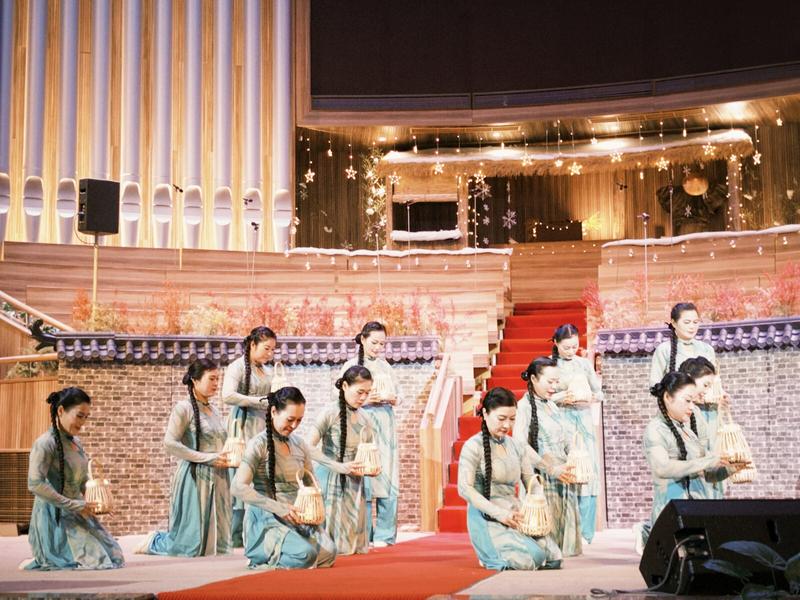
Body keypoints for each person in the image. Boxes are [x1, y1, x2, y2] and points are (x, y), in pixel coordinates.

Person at [458, 387, 564, 571]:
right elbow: (464, 489)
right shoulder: (472, 446)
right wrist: (501, 514)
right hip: (487, 517)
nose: (507, 425)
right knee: (533, 559)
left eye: (512, 419)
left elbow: (531, 480)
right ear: (485, 413)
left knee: (554, 558)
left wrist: (538, 504)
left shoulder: (516, 446)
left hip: (515, 513)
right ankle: (489, 553)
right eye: (501, 418)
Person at [231, 387, 337, 569]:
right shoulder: (258, 444)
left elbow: (310, 481)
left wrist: (313, 506)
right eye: (290, 419)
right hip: (268, 516)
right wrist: (278, 508)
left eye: (299, 420)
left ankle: (288, 551)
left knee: (329, 553)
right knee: (305, 555)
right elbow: (238, 487)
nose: (294, 425)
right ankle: (260, 555)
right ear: (274, 412)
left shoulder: (300, 444)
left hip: (297, 516)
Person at [636, 371, 742, 553]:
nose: (692, 406)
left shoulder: (688, 430)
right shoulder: (655, 430)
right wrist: (708, 460)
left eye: (693, 401)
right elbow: (663, 468)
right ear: (668, 397)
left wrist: (732, 468)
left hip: (696, 510)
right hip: (671, 513)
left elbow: (709, 475)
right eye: (687, 400)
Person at [22, 387, 124, 570]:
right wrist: (72, 504)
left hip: (77, 510)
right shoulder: (45, 443)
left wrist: (97, 502)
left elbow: (83, 477)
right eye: (79, 416)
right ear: (61, 411)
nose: (83, 422)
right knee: (97, 561)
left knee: (115, 555)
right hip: (56, 515)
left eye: (86, 417)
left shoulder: (76, 442)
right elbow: (35, 483)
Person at [138, 359, 232, 556]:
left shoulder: (214, 410)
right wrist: (206, 458)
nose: (216, 383)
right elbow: (170, 443)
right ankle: (153, 542)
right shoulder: (183, 408)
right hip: (194, 475)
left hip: (218, 473)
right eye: (212, 379)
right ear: (195, 381)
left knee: (218, 545)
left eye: (218, 379)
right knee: (187, 544)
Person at [339, 321, 401, 547]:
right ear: (363, 340)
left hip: (385, 425)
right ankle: (364, 532)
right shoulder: (350, 366)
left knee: (387, 477)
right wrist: (367, 399)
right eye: (374, 342)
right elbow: (339, 396)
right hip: (361, 424)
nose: (378, 347)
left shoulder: (386, 367)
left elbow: (399, 396)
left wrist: (391, 397)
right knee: (363, 475)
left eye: (382, 344)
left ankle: (385, 535)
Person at [513, 357, 582, 557]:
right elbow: (520, 444)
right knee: (543, 532)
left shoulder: (551, 404)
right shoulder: (524, 407)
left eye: (556, 382)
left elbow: (565, 435)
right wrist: (550, 468)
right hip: (542, 474)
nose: (554, 387)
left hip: (562, 472)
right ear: (534, 379)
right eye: (549, 382)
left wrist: (573, 456)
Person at [308, 366, 374, 555]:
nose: (363, 398)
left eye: (367, 393)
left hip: (354, 479)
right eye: (359, 392)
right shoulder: (330, 412)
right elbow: (308, 447)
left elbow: (368, 451)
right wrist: (338, 466)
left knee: (354, 543)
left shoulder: (365, 418)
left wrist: (370, 467)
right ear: (345, 385)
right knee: (330, 541)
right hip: (330, 477)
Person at [223, 326, 277, 546]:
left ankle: (259, 529)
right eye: (266, 348)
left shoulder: (267, 370)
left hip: (263, 424)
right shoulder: (236, 367)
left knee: (262, 476)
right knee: (241, 476)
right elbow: (227, 395)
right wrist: (257, 401)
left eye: (273, 350)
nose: (270, 354)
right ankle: (236, 535)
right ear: (252, 345)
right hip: (243, 425)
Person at [550, 324, 602, 544]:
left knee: (588, 474)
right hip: (562, 422)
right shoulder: (550, 366)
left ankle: (586, 533)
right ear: (556, 344)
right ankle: (566, 529)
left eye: (575, 347)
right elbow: (546, 397)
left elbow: (600, 393)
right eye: (567, 347)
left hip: (584, 423)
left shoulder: (583, 364)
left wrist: (588, 397)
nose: (572, 351)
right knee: (569, 472)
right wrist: (565, 396)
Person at [649, 302, 716, 387]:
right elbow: (655, 384)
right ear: (674, 323)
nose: (692, 326)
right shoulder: (664, 349)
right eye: (687, 322)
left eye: (695, 322)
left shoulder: (707, 349)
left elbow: (715, 382)